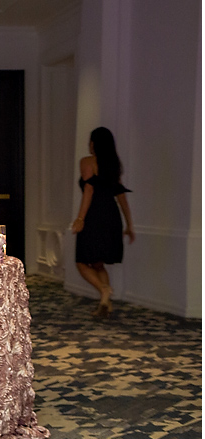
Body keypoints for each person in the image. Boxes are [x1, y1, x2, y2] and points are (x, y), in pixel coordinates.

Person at [71, 126, 135, 319]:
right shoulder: (113, 166)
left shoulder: (87, 162)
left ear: (94, 143)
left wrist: (80, 219)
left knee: (82, 262)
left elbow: (89, 192)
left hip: (94, 216)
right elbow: (121, 197)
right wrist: (129, 224)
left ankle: (104, 290)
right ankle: (105, 303)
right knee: (98, 263)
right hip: (112, 217)